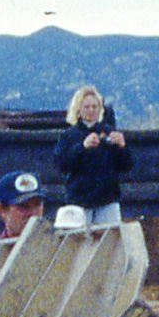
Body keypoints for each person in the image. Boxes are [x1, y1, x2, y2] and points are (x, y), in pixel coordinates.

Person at [55, 85, 131, 227]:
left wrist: (122, 147)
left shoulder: (110, 132)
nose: (91, 111)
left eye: (95, 107)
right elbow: (62, 165)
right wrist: (82, 147)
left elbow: (126, 166)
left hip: (107, 201)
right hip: (80, 201)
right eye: (87, 107)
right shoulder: (69, 136)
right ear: (78, 109)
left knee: (110, 242)